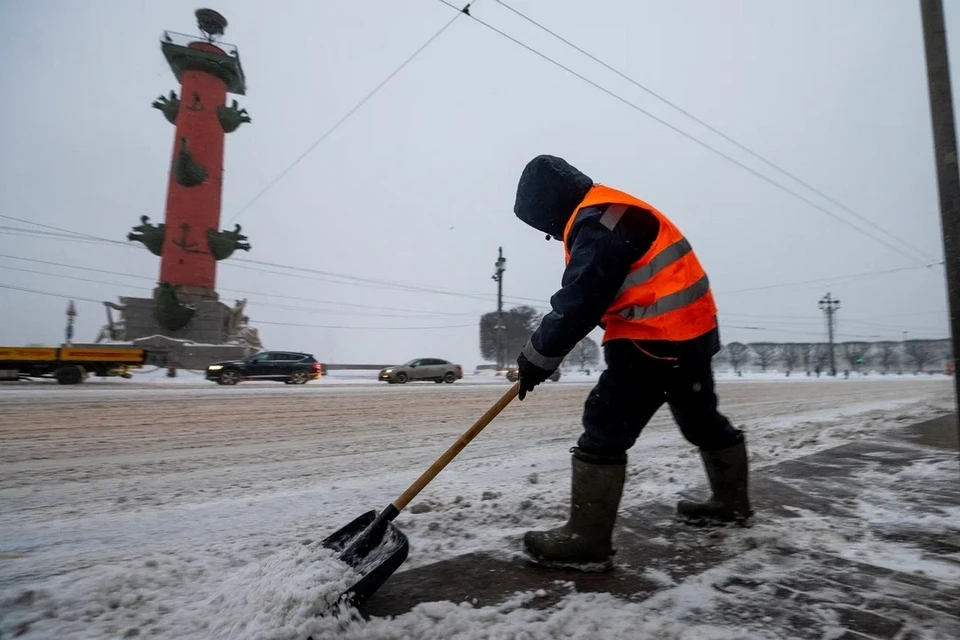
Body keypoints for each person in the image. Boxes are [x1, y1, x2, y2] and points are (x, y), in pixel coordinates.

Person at [512, 154, 752, 572]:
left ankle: (586, 538)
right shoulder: (614, 209)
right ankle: (732, 504)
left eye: (544, 226)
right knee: (700, 418)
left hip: (654, 339)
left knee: (605, 423)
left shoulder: (601, 221)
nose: (551, 236)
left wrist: (536, 359)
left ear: (550, 205)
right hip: (692, 333)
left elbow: (580, 301)